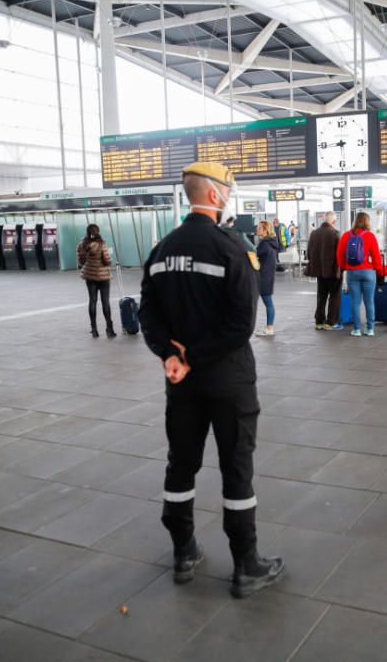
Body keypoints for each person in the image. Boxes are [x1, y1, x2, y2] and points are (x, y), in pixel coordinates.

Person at [138, 161, 284, 597]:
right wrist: (196, 356)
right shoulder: (231, 249)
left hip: (181, 384)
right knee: (236, 468)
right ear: (217, 196)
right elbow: (241, 324)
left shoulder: (161, 250)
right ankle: (246, 564)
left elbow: (148, 312)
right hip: (228, 381)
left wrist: (171, 356)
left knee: (180, 464)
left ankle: (184, 552)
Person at [337, 211, 384, 337]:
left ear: (355, 221)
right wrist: (378, 270)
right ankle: (370, 328)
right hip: (368, 273)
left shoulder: (346, 236)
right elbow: (376, 256)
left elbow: (340, 254)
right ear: (367, 222)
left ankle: (357, 329)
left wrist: (343, 267)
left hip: (352, 273)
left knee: (355, 302)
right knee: (369, 301)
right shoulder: (370, 236)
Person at [76, 224, 115, 339]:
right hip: (103, 276)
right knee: (105, 301)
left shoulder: (82, 244)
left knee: (92, 301)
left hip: (90, 276)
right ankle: (109, 329)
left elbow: (81, 261)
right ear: (97, 231)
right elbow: (107, 261)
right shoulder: (101, 243)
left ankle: (94, 329)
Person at [306, 211, 342, 330]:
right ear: (334, 221)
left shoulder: (314, 233)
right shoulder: (335, 234)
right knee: (334, 296)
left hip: (319, 271)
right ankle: (331, 322)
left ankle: (319, 321)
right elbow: (340, 254)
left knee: (321, 296)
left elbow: (309, 252)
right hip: (333, 271)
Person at [254, 220, 278, 336]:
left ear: (265, 231)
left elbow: (254, 255)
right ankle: (269, 327)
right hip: (268, 276)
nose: (257, 230)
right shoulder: (271, 242)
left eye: (259, 228)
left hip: (263, 277)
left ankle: (269, 328)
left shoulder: (264, 244)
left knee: (268, 302)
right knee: (268, 302)